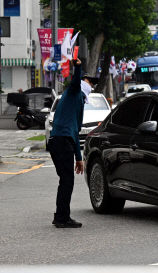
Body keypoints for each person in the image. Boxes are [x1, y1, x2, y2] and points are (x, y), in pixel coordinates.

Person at [47, 57, 98, 228]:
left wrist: (79, 157)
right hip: (61, 142)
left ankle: (60, 216)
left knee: (66, 180)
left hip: (60, 142)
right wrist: (78, 67)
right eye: (89, 83)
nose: (91, 85)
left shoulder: (78, 103)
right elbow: (76, 81)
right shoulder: (73, 92)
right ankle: (62, 218)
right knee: (67, 180)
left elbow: (75, 133)